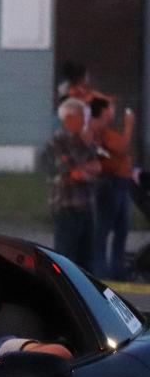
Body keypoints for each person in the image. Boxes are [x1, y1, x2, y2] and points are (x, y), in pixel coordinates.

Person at [43, 98, 101, 271]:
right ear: (69, 118)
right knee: (66, 258)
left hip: (86, 207)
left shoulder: (84, 141)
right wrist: (82, 171)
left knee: (87, 260)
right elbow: (72, 173)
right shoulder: (57, 142)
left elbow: (97, 167)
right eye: (81, 118)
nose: (85, 122)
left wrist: (82, 170)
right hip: (67, 207)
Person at [90, 98, 136, 279]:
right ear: (103, 111)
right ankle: (100, 273)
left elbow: (124, 151)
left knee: (122, 230)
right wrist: (129, 125)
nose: (114, 109)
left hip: (123, 184)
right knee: (102, 230)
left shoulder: (109, 131)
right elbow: (123, 148)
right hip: (111, 184)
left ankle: (117, 272)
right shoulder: (100, 132)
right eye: (110, 107)